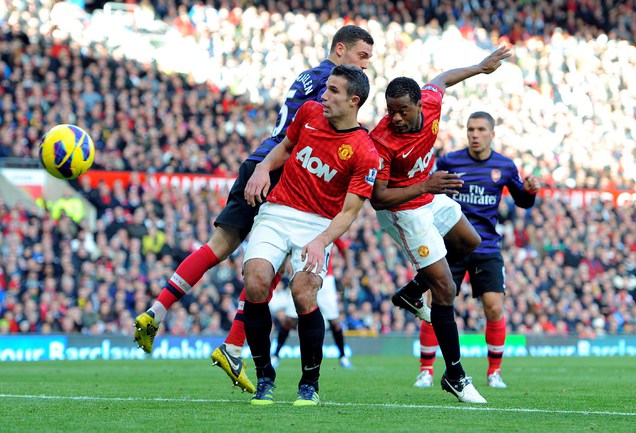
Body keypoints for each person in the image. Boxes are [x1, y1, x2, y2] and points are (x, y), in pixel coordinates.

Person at [133, 25, 374, 393]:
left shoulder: (308, 76)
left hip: (258, 159)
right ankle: (233, 346)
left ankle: (158, 311)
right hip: (283, 170)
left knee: (219, 249)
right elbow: (314, 138)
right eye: (362, 55)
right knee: (270, 265)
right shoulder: (334, 86)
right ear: (340, 49)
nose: (366, 64)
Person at [369, 46, 512, 404]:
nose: (395, 118)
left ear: (420, 105)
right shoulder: (381, 140)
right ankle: (455, 376)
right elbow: (379, 198)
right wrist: (425, 186)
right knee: (446, 290)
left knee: (469, 241)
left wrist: (480, 67)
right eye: (390, 110)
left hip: (427, 193)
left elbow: (443, 79)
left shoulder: (432, 101)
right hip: (402, 209)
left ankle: (411, 292)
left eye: (402, 111)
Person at [242, 65, 378, 406]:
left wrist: (321, 241)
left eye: (333, 91)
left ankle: (309, 384)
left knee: (303, 292)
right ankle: (264, 377)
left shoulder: (365, 151)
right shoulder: (308, 112)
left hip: (318, 224)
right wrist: (262, 167)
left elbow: (349, 212)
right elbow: (286, 147)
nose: (324, 96)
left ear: (354, 101)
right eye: (326, 88)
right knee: (255, 280)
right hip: (278, 210)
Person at [413, 111, 541, 389]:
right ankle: (426, 371)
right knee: (435, 304)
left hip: (486, 247)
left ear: (491, 134)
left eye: (481, 129)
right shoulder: (449, 161)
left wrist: (530, 190)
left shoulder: (504, 166)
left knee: (494, 307)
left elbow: (522, 200)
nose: (475, 134)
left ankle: (494, 372)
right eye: (471, 129)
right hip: (452, 246)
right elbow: (429, 194)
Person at [271, 237, 353, 369]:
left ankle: (343, 356)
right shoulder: (301, 228)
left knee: (334, 320)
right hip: (301, 276)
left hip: (325, 279)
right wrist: (287, 262)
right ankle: (275, 355)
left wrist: (349, 271)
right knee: (289, 319)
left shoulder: (328, 229)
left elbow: (344, 249)